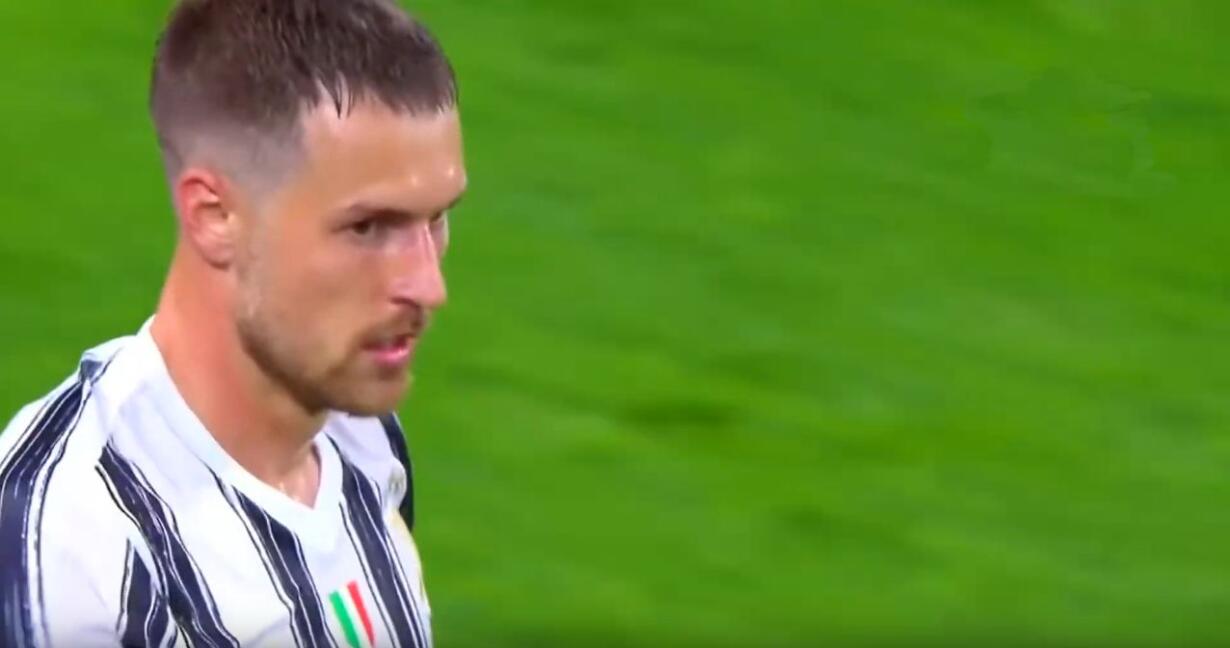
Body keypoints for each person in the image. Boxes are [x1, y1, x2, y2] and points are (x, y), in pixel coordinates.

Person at [0, 0, 465, 645]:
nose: (428, 285)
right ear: (215, 217)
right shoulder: (77, 539)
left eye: (436, 219)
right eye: (368, 227)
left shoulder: (361, 435)